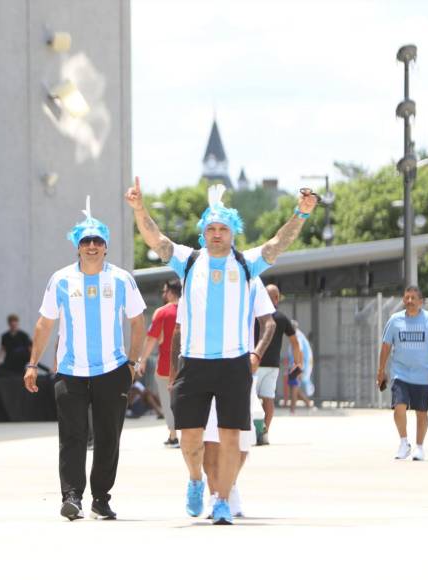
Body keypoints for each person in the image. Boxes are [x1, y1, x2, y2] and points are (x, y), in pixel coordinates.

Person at [127, 178, 316, 524]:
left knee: (230, 436)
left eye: (223, 229)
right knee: (190, 438)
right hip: (194, 362)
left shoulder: (246, 264)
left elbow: (278, 243)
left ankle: (222, 501)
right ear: (203, 232)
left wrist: (300, 214)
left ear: (233, 233)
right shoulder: (189, 261)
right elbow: (157, 240)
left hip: (233, 364)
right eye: (211, 229)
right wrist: (140, 209)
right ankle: (195, 480)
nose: (217, 234)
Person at [24, 196, 147, 521]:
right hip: (70, 371)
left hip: (113, 370)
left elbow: (138, 322)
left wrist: (132, 363)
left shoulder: (121, 279)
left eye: (98, 241)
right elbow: (44, 323)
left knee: (108, 438)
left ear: (106, 247)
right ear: (77, 247)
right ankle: (72, 497)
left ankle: (101, 499)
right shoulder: (61, 279)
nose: (92, 246)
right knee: (72, 437)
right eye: (86, 241)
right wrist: (32, 364)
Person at [203, 277, 275, 518]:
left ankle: (230, 485)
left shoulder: (250, 277)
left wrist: (257, 354)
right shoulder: (199, 273)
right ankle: (215, 495)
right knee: (209, 439)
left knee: (242, 441)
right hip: (204, 367)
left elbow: (269, 323)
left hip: (239, 370)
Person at [376, 286, 428, 461]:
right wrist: (381, 370)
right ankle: (403, 443)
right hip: (400, 374)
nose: (409, 301)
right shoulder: (395, 320)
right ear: (403, 300)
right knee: (398, 407)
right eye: (407, 298)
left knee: (421, 413)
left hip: (424, 375)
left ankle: (419, 447)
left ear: (420, 302)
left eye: (413, 298)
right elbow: (386, 346)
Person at [252, 284, 301, 444]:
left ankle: (252, 432)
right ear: (277, 298)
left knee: (250, 399)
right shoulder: (281, 318)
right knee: (268, 399)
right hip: (273, 366)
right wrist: (298, 363)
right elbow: (295, 343)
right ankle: (264, 433)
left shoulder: (255, 316)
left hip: (255, 363)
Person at [136, 278, 181, 447]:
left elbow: (152, 339)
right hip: (189, 364)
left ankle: (173, 435)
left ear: (170, 293)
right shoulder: (191, 310)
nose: (163, 294)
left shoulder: (162, 312)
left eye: (164, 291)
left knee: (168, 400)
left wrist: (142, 360)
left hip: (166, 366)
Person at [287, 322, 314, 413]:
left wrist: (299, 368)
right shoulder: (298, 335)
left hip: (297, 366)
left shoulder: (297, 336)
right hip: (295, 365)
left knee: (294, 387)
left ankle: (292, 410)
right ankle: (308, 404)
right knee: (293, 387)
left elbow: (300, 352)